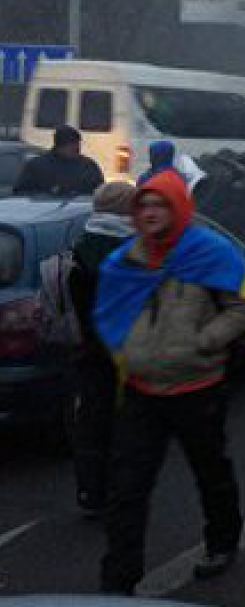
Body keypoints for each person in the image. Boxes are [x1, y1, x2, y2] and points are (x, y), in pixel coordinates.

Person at [94, 170, 245, 595]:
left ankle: (222, 542)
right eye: (144, 206)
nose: (151, 213)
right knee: (127, 490)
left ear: (178, 209)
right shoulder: (126, 261)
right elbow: (109, 312)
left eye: (160, 205)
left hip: (196, 387)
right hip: (142, 391)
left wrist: (204, 340)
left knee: (210, 471)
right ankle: (118, 584)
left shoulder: (208, 253)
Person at [66, 181, 137, 514]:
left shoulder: (78, 245)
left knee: (92, 420)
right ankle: (120, 490)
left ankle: (90, 492)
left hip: (88, 348)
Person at [13, 124, 104, 197]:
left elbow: (101, 193)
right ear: (59, 146)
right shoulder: (37, 166)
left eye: (77, 145)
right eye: (71, 145)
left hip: (80, 213)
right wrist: (46, 196)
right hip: (44, 213)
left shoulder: (88, 166)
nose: (76, 148)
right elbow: (20, 193)